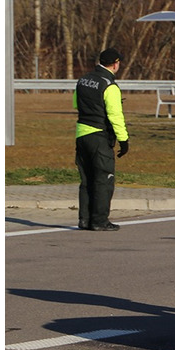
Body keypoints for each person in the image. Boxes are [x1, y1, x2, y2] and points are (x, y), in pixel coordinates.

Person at [74, 47, 130, 231]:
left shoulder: (83, 80)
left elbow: (76, 103)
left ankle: (84, 220)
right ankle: (99, 221)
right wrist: (123, 140)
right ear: (115, 64)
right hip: (99, 136)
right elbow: (115, 116)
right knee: (104, 179)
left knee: (87, 180)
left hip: (81, 134)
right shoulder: (110, 86)